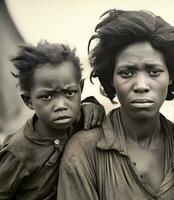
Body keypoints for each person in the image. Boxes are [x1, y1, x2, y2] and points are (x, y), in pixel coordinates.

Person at [57, 9, 174, 200]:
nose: (141, 86)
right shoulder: (83, 152)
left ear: (170, 76)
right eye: (127, 72)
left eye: (154, 71)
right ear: (111, 79)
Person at [0, 41, 105, 200]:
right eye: (46, 97)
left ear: (80, 89)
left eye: (69, 93)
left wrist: (92, 105)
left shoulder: (84, 118)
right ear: (28, 101)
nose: (61, 106)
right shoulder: (17, 151)